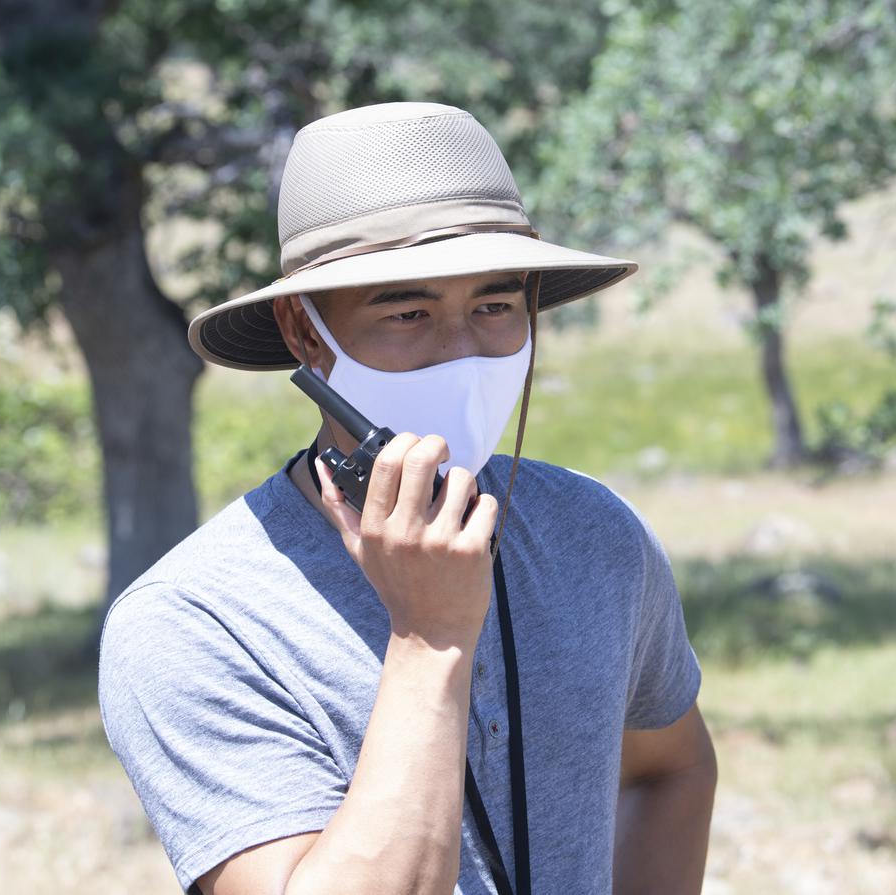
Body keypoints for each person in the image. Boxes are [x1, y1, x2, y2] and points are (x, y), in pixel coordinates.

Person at [98, 101, 717, 895]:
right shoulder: (194, 621)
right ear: (303, 330)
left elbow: (670, 768)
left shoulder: (595, 533)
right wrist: (429, 638)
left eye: (495, 306)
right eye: (408, 311)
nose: (463, 352)